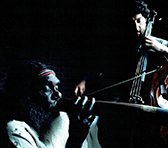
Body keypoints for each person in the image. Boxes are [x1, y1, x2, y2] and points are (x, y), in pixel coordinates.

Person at [74, 0, 168, 147]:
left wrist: (161, 48)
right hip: (122, 98)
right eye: (132, 22)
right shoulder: (122, 45)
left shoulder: (159, 43)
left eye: (139, 21)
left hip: (150, 100)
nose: (136, 26)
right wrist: (84, 80)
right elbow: (100, 63)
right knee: (107, 126)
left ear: (146, 20)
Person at [0, 60, 101, 148]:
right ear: (26, 95)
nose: (58, 94)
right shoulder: (14, 130)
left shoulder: (61, 120)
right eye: (46, 88)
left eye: (56, 87)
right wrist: (75, 142)